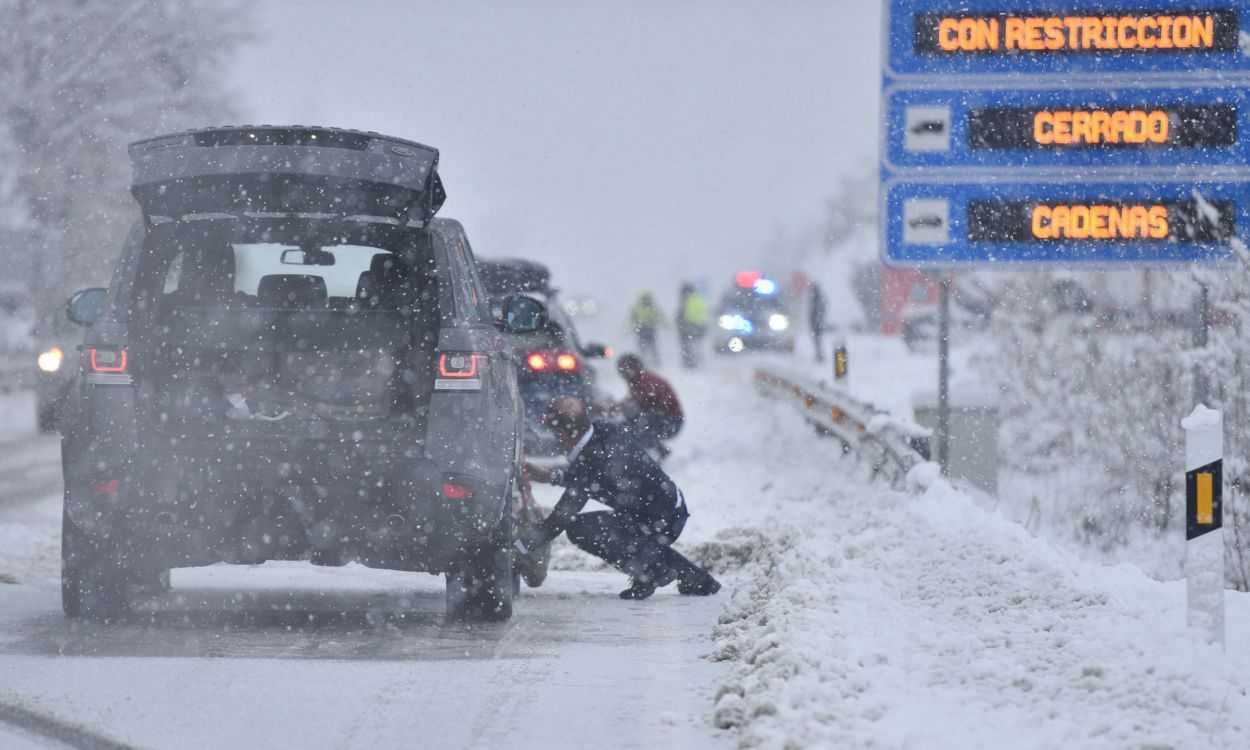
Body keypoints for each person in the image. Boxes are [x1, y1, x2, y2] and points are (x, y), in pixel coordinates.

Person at [517, 396, 720, 600]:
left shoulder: (592, 460)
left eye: (554, 432)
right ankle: (695, 579)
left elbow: (560, 518)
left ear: (561, 432)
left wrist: (516, 547)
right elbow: (592, 476)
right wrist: (552, 477)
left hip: (662, 519)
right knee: (639, 541)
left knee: (581, 530)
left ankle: (650, 571)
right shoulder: (603, 430)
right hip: (663, 508)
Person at [606, 353, 683, 460]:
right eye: (620, 370)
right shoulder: (639, 379)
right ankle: (655, 452)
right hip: (667, 419)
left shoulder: (645, 380)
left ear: (633, 367)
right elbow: (634, 400)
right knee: (633, 424)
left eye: (623, 369)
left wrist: (617, 408)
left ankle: (649, 458)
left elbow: (641, 401)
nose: (621, 374)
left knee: (640, 424)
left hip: (671, 422)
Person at [676, 282, 710, 369]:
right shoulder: (700, 299)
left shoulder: (686, 301)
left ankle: (689, 363)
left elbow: (682, 315)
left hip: (689, 326)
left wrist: (679, 322)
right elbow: (706, 312)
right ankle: (699, 361)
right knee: (697, 345)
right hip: (701, 327)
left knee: (687, 346)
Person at [629, 291, 664, 366]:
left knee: (645, 348)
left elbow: (631, 320)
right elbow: (659, 318)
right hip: (649, 329)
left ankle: (646, 363)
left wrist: (626, 330)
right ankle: (654, 363)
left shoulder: (637, 308)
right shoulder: (652, 307)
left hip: (641, 330)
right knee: (652, 348)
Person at [809, 282, 828, 362]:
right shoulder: (815, 298)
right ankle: (819, 355)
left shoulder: (817, 298)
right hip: (816, 322)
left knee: (817, 340)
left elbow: (818, 310)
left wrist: (817, 320)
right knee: (817, 340)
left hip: (817, 323)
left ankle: (820, 355)